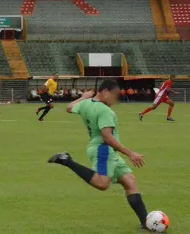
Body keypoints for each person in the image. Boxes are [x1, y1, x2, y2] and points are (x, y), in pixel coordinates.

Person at [47, 81, 148, 230]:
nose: (115, 100)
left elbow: (69, 107)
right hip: (103, 149)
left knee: (130, 182)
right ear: (105, 92)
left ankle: (146, 223)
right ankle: (66, 160)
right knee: (102, 183)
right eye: (114, 96)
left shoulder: (87, 103)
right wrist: (130, 153)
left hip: (107, 151)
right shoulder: (104, 111)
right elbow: (107, 137)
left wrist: (84, 97)